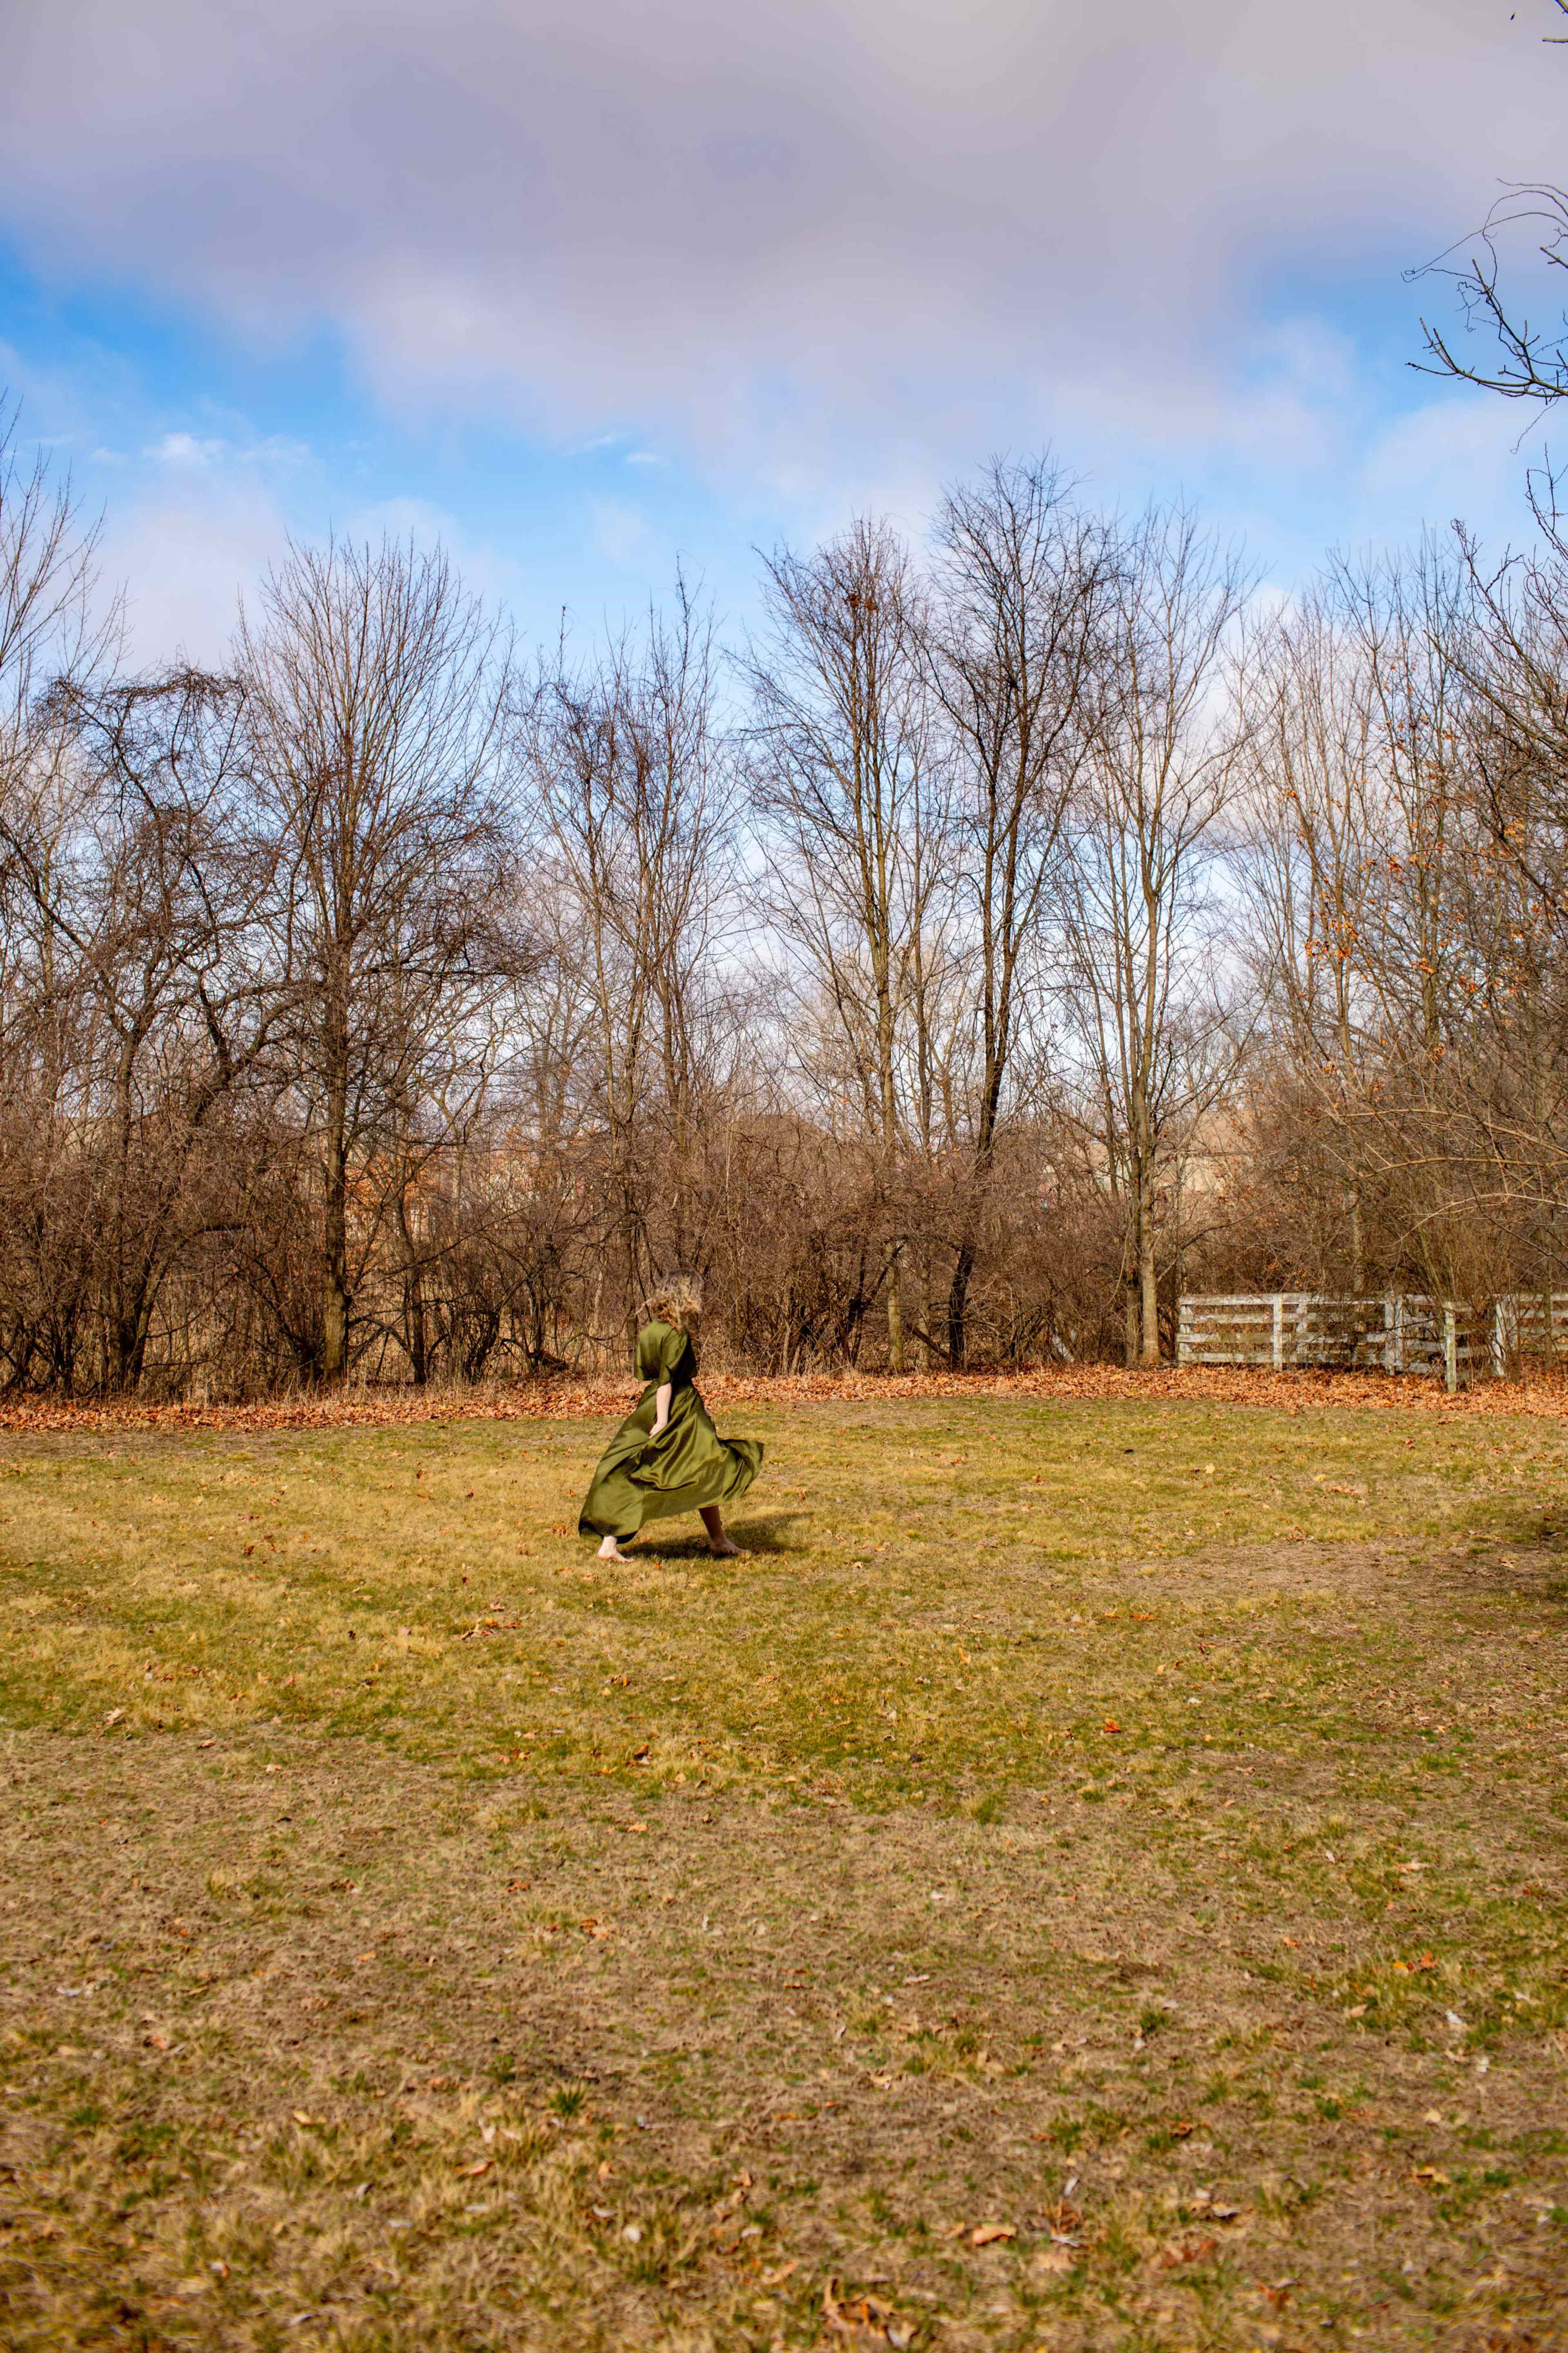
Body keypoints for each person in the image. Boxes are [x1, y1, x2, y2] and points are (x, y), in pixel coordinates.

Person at [578, 1274, 763, 1563]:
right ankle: (612, 1545)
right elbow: (666, 1380)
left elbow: (656, 1378)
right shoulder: (677, 1334)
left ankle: (717, 1539)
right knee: (705, 1464)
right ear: (682, 1299)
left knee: (643, 1465)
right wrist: (663, 1421)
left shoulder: (650, 1331)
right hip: (677, 1409)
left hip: (657, 1404)